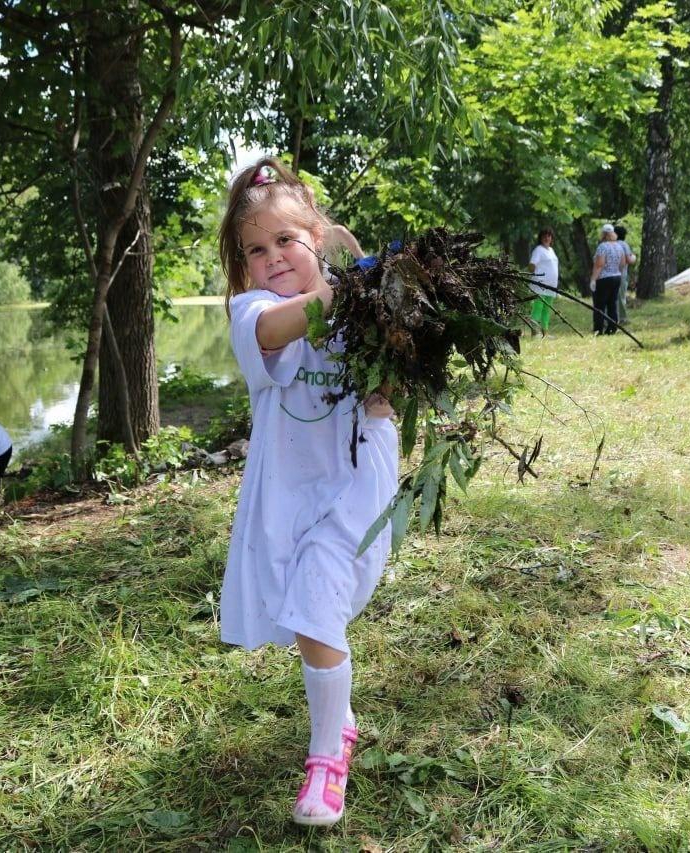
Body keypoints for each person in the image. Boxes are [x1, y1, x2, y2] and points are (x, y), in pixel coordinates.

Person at [216, 157, 398, 827]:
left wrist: (389, 327)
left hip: (354, 479)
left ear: (316, 237)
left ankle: (327, 761)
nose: (272, 258)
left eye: (287, 240)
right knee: (307, 613)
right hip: (290, 490)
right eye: (255, 250)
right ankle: (339, 717)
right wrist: (351, 287)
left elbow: (388, 380)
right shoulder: (255, 310)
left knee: (318, 602)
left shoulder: (361, 306)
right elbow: (277, 332)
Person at [590, 223, 627, 334]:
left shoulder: (603, 247)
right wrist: (617, 272)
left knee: (600, 305)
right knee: (612, 304)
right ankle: (612, 327)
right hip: (616, 277)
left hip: (604, 278)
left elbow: (599, 265)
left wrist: (593, 279)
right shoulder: (619, 246)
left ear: (604, 234)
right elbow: (622, 263)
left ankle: (598, 329)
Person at [525, 227, 559, 332]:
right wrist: (534, 275)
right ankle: (535, 332)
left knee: (547, 309)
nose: (546, 238)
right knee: (538, 307)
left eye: (549, 236)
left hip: (551, 285)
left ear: (551, 238)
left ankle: (545, 331)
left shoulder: (551, 250)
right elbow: (532, 265)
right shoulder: (538, 250)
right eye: (544, 236)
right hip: (540, 284)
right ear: (540, 238)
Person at [614, 224, 637, 323]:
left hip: (609, 275)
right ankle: (622, 318)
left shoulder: (609, 244)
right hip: (621, 274)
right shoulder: (623, 244)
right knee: (621, 297)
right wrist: (634, 257)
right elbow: (629, 260)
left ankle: (610, 318)